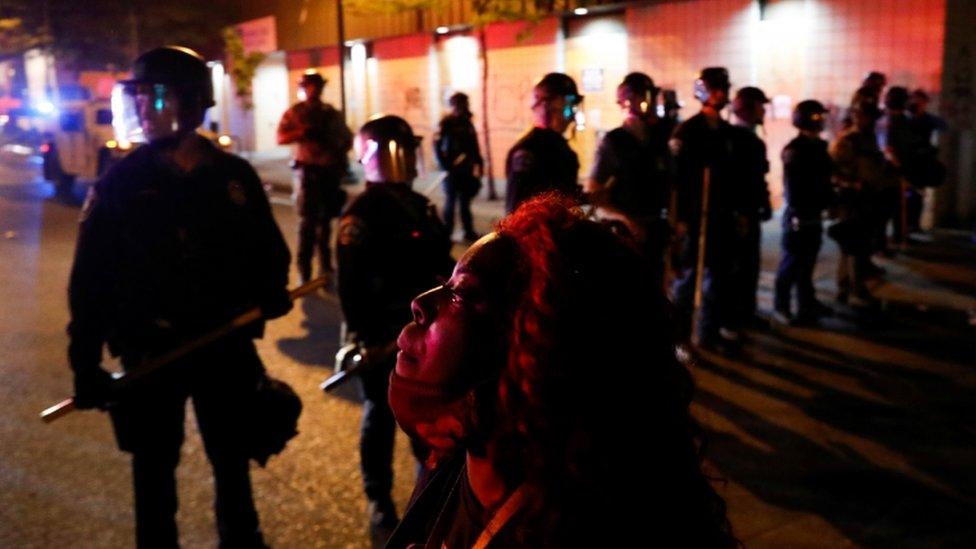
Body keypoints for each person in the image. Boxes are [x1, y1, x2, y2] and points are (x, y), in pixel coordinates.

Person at [386, 194, 738, 548]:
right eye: (445, 285)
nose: (422, 303)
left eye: (460, 294)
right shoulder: (453, 466)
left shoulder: (566, 530)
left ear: (536, 355)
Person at [67, 46, 292, 548]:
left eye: (156, 97)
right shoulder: (121, 182)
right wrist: (84, 360)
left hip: (222, 348)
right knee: (153, 475)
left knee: (232, 462)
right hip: (151, 351)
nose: (144, 109)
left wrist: (270, 292)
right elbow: (91, 279)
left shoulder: (233, 178)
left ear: (192, 104)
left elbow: (268, 253)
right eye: (140, 98)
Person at [336, 114, 455, 547]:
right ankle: (379, 498)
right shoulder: (361, 212)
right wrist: (368, 338)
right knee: (380, 417)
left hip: (427, 336)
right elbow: (350, 287)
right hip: (384, 339)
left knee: (430, 420)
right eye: (394, 148)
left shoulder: (419, 204)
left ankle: (431, 499)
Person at [669, 67, 738, 352]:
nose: (721, 94)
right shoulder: (688, 131)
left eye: (723, 88)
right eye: (715, 88)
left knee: (718, 277)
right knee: (688, 281)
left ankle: (707, 332)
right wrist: (680, 218)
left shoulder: (726, 132)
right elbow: (676, 180)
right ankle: (679, 337)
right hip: (695, 216)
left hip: (721, 215)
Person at [586, 72, 672, 287]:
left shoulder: (659, 140)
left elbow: (671, 186)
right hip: (624, 234)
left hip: (655, 230)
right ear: (627, 100)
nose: (649, 102)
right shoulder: (614, 142)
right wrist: (625, 220)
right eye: (644, 96)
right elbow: (595, 193)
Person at [277, 70, 353, 287]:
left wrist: (335, 145)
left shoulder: (330, 113)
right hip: (307, 174)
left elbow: (347, 138)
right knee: (307, 223)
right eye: (309, 86)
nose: (313, 90)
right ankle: (304, 270)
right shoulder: (295, 113)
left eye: (316, 86)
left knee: (326, 224)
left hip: (328, 173)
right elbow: (281, 136)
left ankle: (325, 267)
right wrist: (302, 132)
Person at [773, 100, 836, 325]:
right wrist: (800, 213)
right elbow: (794, 187)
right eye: (818, 117)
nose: (822, 121)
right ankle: (781, 306)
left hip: (814, 211)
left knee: (808, 262)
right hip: (799, 214)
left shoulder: (819, 147)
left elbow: (827, 178)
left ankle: (807, 303)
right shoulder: (795, 150)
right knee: (792, 262)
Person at [829, 93, 892, 307]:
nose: (870, 120)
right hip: (852, 200)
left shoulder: (870, 138)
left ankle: (845, 287)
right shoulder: (848, 141)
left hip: (869, 199)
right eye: (867, 115)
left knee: (857, 246)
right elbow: (833, 172)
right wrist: (852, 185)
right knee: (854, 246)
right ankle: (855, 289)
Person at [727, 86, 773, 336]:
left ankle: (746, 312)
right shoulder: (736, 139)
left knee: (750, 266)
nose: (763, 110)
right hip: (739, 215)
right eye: (759, 105)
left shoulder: (750, 139)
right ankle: (735, 316)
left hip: (750, 211)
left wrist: (763, 202)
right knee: (739, 267)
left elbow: (758, 178)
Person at [505, 72, 582, 214]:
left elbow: (562, 193)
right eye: (567, 107)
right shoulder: (527, 152)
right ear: (546, 106)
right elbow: (516, 212)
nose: (571, 116)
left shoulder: (561, 147)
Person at [434, 92, 483, 242]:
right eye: (461, 103)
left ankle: (468, 231)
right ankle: (447, 232)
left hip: (465, 169)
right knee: (451, 200)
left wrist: (479, 163)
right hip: (451, 170)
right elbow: (436, 145)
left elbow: (474, 145)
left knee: (465, 202)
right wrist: (444, 164)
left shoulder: (467, 123)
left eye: (465, 103)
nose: (464, 107)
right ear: (454, 105)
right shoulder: (446, 123)